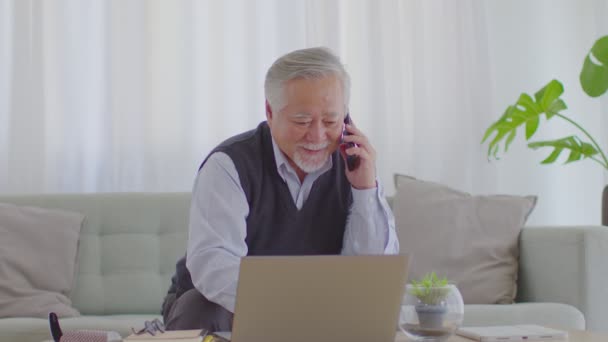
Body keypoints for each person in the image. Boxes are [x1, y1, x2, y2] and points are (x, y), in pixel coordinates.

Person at [161, 47, 399, 331]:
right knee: (207, 309)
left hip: (317, 314)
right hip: (227, 310)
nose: (318, 136)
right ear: (270, 112)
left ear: (346, 117)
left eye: (330, 121)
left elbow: (369, 275)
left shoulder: (354, 166)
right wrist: (294, 311)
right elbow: (214, 265)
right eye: (302, 121)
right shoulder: (228, 165)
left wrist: (365, 190)